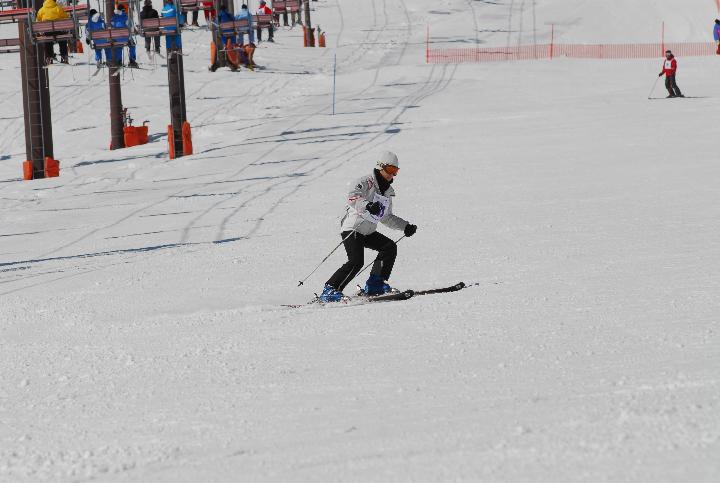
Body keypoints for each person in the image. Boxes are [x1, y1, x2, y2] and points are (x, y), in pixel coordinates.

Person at [319, 151, 418, 302]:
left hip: (368, 231)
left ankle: (375, 284)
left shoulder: (387, 192)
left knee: (389, 247)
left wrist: (405, 226)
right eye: (391, 169)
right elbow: (352, 197)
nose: (393, 174)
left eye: (396, 171)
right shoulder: (365, 182)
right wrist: (367, 205)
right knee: (356, 261)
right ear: (381, 167)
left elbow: (386, 217)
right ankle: (330, 289)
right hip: (353, 228)